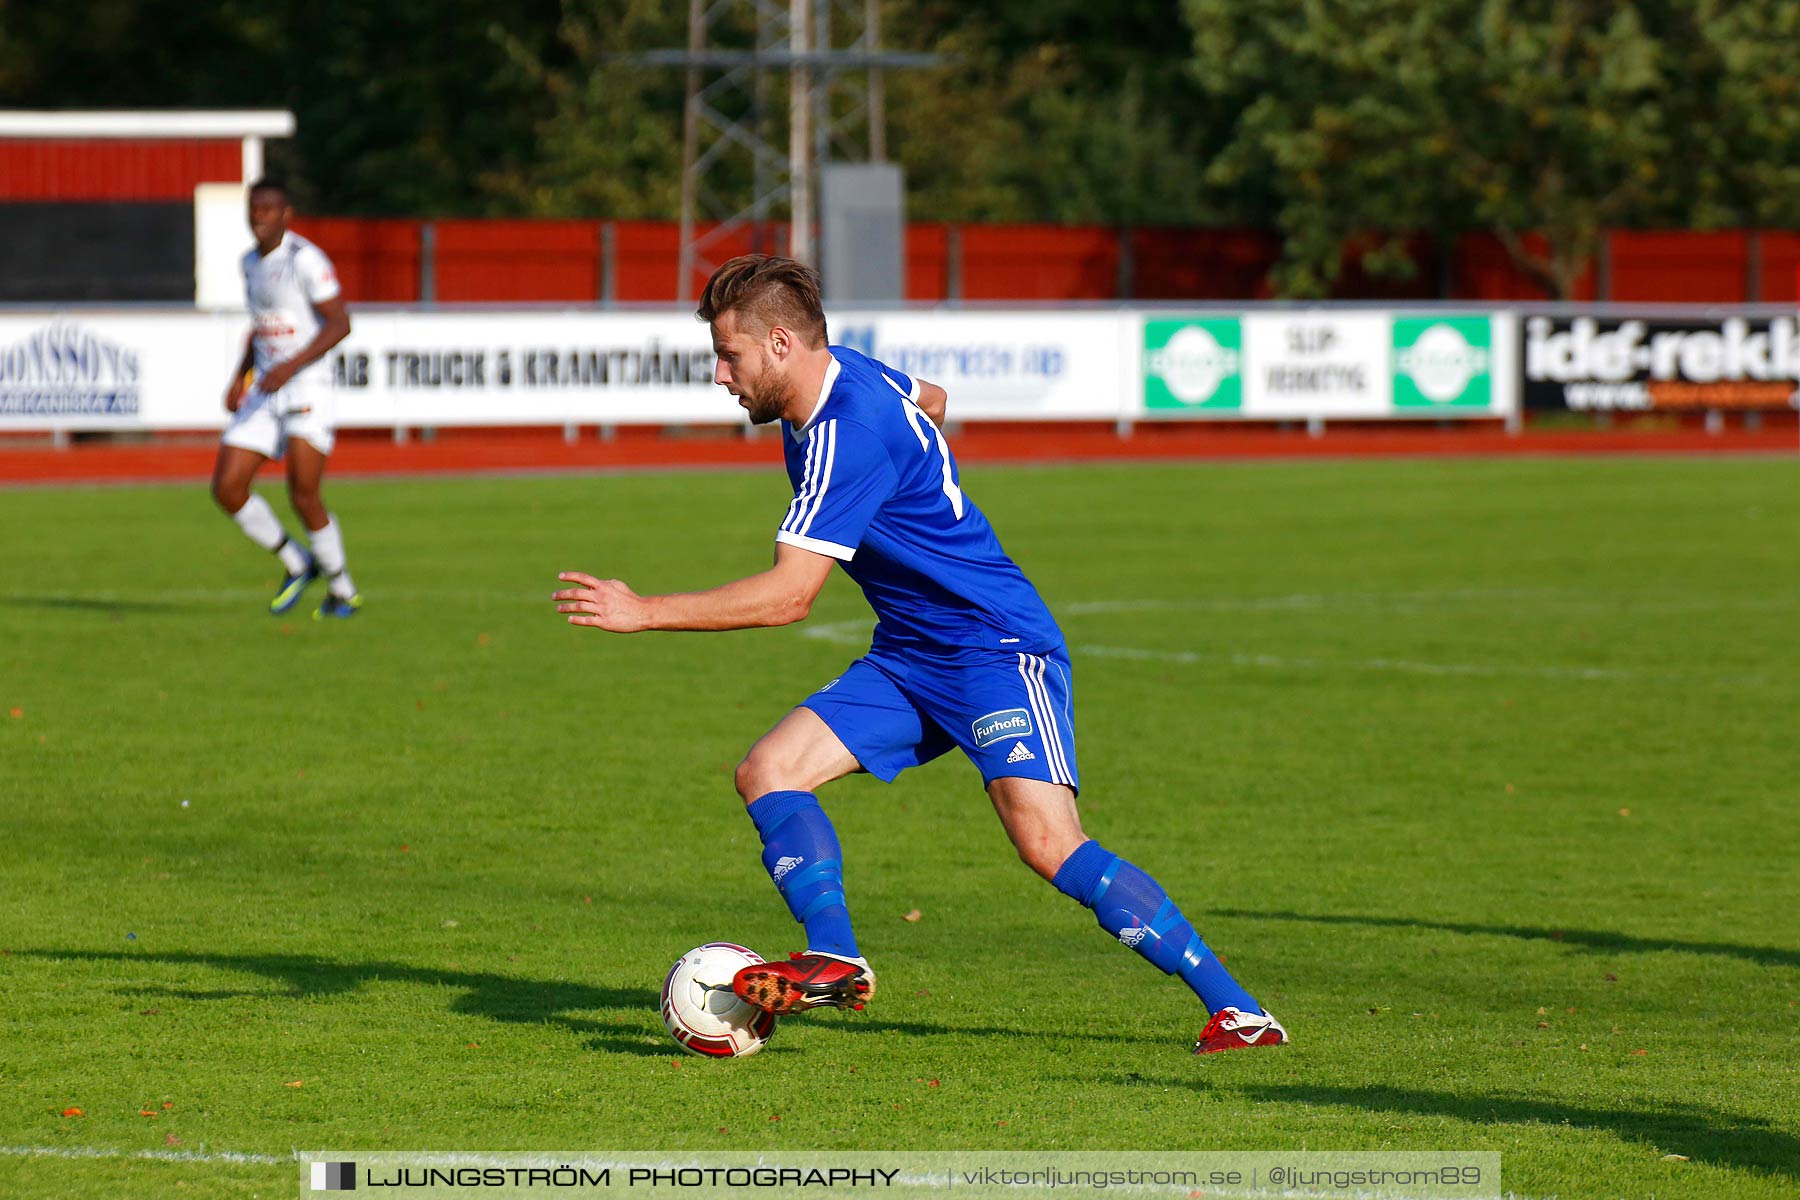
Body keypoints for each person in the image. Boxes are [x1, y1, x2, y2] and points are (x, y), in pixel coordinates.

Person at [552, 254, 1287, 1054]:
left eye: (729, 355)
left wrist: (644, 611)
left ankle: (1240, 1010)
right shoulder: (848, 375)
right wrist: (920, 486)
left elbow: (789, 597)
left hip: (994, 646)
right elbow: (931, 400)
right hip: (910, 653)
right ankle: (834, 955)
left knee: (1047, 843)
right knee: (768, 771)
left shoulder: (846, 435)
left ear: (779, 344)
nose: (719, 375)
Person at [209, 178, 361, 619]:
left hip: (306, 385)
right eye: (253, 208)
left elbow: (339, 324)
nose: (258, 216)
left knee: (303, 494)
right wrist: (240, 378)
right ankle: (296, 562)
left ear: (286, 214)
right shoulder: (249, 263)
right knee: (228, 488)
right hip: (266, 386)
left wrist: (290, 367)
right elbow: (261, 327)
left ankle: (342, 588)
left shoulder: (305, 260)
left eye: (268, 209)